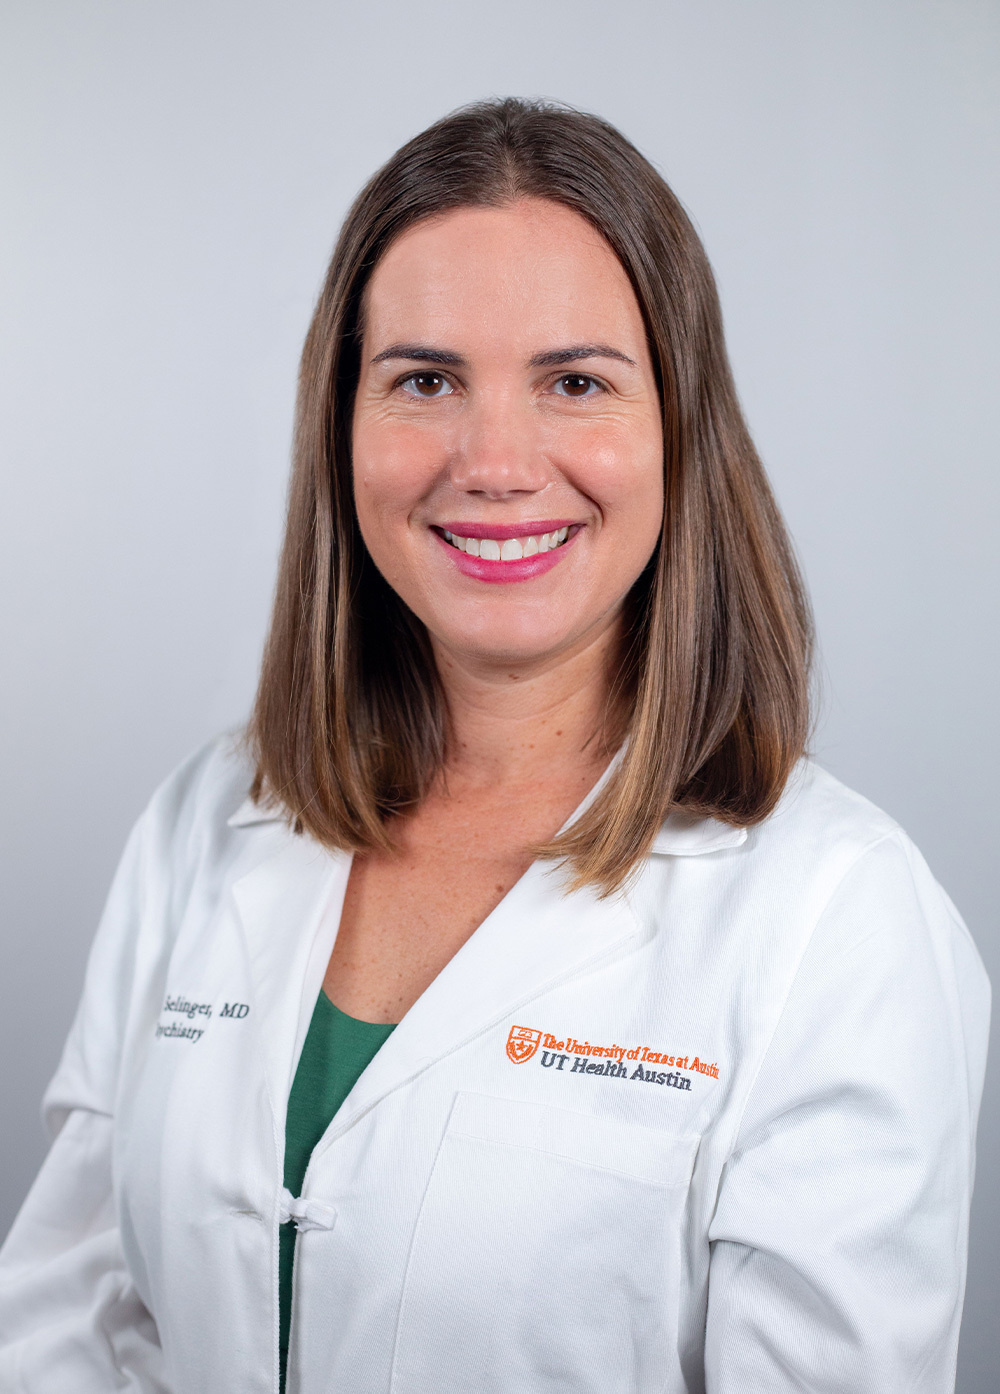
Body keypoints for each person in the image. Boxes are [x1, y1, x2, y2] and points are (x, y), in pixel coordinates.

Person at [0, 97, 989, 1394]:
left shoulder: (843, 917)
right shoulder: (204, 821)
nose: (495, 460)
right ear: (340, 425)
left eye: (575, 381)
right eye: (425, 380)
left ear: (681, 431)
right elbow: (69, 1326)